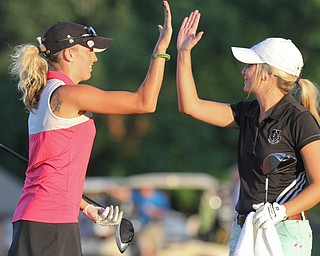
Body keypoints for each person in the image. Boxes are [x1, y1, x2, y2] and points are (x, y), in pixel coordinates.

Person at [7, 1, 172, 255]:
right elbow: (145, 102)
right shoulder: (70, 93)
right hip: (49, 223)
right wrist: (161, 51)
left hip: (43, 219)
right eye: (90, 49)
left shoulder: (42, 94)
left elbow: (53, 174)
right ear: (69, 54)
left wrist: (85, 206)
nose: (94, 57)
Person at [176, 10, 320, 256]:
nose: (243, 70)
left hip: (285, 231)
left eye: (250, 65)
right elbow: (190, 106)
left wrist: (281, 210)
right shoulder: (247, 113)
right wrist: (183, 53)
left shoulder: (300, 119)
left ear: (267, 73)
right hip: (245, 228)